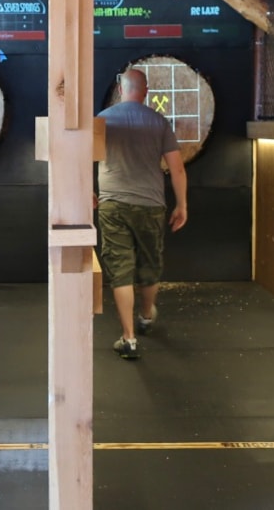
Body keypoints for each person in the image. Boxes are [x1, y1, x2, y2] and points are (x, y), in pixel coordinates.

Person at [96, 68, 187, 360]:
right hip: (151, 205)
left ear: (120, 90)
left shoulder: (103, 119)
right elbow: (177, 168)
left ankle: (129, 338)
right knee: (149, 264)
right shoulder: (159, 121)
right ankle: (146, 316)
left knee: (120, 269)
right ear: (145, 91)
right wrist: (182, 204)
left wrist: (86, 191)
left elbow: (82, 157)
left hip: (112, 204)